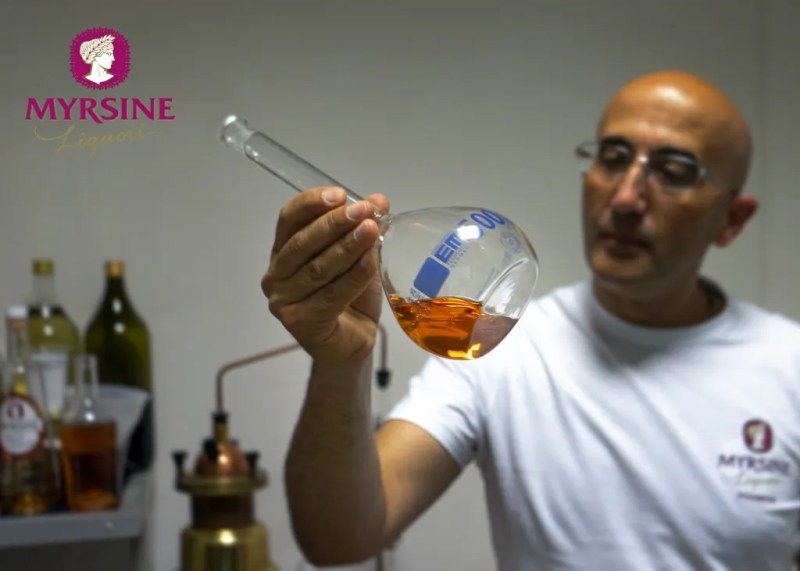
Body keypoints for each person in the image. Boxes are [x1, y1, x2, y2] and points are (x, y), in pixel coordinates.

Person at [261, 70, 800, 570]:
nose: (626, 198)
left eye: (673, 172)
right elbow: (339, 538)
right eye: (613, 157)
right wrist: (343, 363)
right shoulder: (499, 345)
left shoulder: (788, 367)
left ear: (732, 220)